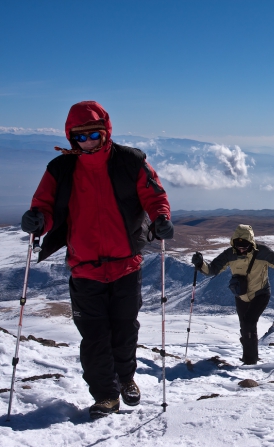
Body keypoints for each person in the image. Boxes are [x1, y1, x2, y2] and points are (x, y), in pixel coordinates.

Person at [20, 101, 173, 419]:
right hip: (85, 267)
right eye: (80, 137)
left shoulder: (130, 161)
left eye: (94, 134)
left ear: (106, 132)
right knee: (94, 336)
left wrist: (160, 218)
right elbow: (45, 206)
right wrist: (38, 220)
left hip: (125, 264)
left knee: (125, 329)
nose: (88, 141)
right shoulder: (60, 170)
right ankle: (106, 395)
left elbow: (154, 194)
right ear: (71, 137)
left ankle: (126, 377)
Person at [191, 224, 274, 365]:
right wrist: (200, 264)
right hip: (241, 295)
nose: (241, 249)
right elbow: (212, 269)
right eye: (238, 246)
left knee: (249, 323)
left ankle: (250, 361)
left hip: (261, 293)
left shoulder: (263, 253)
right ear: (234, 243)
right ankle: (250, 358)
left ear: (251, 243)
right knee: (245, 327)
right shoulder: (230, 254)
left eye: (245, 246)